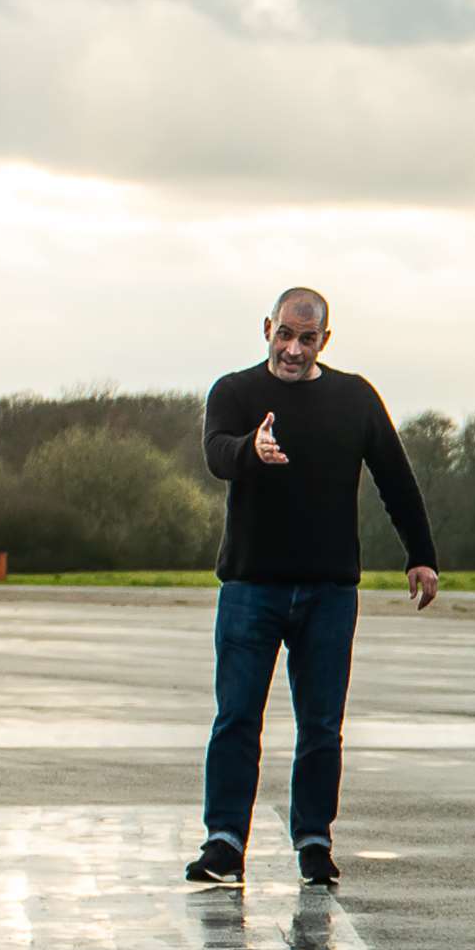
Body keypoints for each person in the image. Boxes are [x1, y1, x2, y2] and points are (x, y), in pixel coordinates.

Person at [187, 286, 439, 887]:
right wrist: (253, 447)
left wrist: (421, 555)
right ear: (267, 327)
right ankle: (224, 842)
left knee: (322, 724)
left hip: (328, 590)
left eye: (307, 339)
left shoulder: (354, 398)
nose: (293, 349)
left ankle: (313, 842)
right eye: (285, 335)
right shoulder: (236, 391)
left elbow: (395, 477)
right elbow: (217, 452)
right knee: (237, 719)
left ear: (325, 340)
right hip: (251, 587)